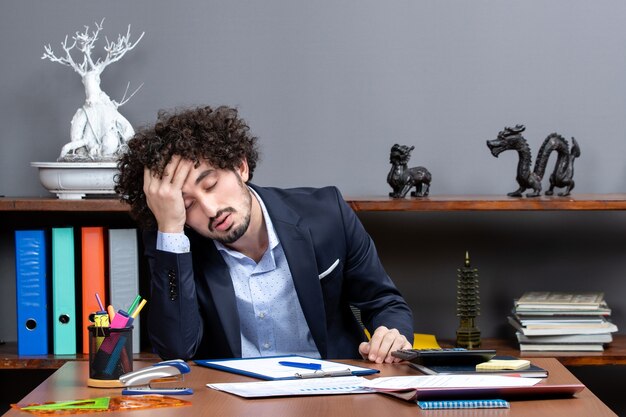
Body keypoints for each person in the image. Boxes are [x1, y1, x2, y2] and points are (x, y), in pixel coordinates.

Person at [116, 105, 414, 363]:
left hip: (329, 395)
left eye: (210, 185)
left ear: (240, 166)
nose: (209, 209)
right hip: (231, 403)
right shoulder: (174, 246)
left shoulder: (327, 213)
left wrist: (392, 335)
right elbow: (177, 349)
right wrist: (169, 230)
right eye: (187, 203)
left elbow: (385, 303)